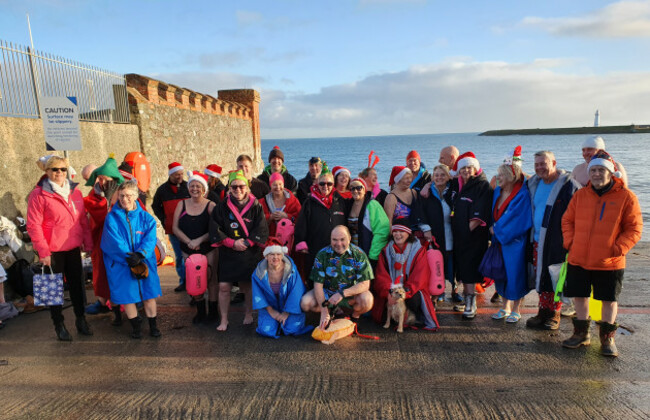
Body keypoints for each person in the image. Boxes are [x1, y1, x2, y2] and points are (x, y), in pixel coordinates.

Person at [561, 151, 642, 357]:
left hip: (609, 261)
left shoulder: (626, 197)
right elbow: (567, 220)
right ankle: (581, 334)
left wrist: (618, 248)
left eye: (601, 170)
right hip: (579, 257)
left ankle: (607, 339)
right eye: (594, 170)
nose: (597, 174)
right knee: (580, 296)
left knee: (608, 299)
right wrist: (570, 242)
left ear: (610, 172)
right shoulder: (580, 195)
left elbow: (634, 228)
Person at [27, 156, 93, 341]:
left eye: (63, 169)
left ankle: (81, 320)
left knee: (77, 286)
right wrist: (43, 252)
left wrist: (87, 243)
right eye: (55, 169)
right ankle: (59, 325)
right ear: (47, 172)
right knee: (52, 289)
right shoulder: (38, 195)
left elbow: (82, 220)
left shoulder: (76, 192)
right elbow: (34, 225)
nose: (59, 173)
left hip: (72, 247)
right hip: (52, 250)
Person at [525, 151, 580, 330]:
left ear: (554, 163)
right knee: (541, 276)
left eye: (543, 163)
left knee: (556, 276)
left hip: (558, 239)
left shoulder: (568, 185)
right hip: (537, 239)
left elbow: (578, 214)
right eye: (537, 164)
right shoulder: (534, 183)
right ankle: (543, 312)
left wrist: (571, 240)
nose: (540, 167)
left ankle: (554, 314)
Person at [101, 180, 162, 339]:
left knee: (149, 295)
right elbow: (113, 241)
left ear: (135, 196)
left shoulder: (147, 218)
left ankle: (153, 326)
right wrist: (129, 257)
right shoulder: (111, 218)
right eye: (121, 196)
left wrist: (141, 254)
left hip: (144, 260)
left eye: (128, 195)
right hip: (122, 263)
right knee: (127, 297)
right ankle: (136, 328)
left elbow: (150, 239)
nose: (124, 199)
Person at [210, 170, 269, 331]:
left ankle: (248, 313)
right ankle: (224, 319)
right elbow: (215, 228)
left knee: (247, 285)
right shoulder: (221, 206)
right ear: (229, 188)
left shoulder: (256, 206)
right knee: (224, 287)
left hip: (249, 252)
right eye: (234, 187)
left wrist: (248, 242)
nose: (238, 190)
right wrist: (231, 242)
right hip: (228, 251)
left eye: (241, 186)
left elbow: (261, 228)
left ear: (247, 187)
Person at [300, 226, 374, 328]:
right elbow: (317, 285)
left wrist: (342, 294)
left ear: (349, 238)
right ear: (330, 239)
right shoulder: (322, 255)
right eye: (334, 240)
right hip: (328, 294)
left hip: (350, 294)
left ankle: (354, 317)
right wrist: (324, 311)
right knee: (306, 303)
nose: (338, 244)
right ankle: (330, 313)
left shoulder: (359, 254)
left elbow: (365, 284)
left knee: (367, 300)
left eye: (342, 239)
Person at [448, 152, 493, 319]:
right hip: (458, 236)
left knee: (469, 271)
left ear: (475, 169)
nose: (466, 171)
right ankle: (467, 301)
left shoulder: (483, 186)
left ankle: (470, 304)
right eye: (463, 168)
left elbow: (478, 215)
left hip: (472, 237)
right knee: (463, 271)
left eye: (469, 167)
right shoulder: (458, 184)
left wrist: (465, 232)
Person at [371, 220, 439, 330]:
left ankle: (411, 316)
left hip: (409, 292)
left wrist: (404, 293)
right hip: (392, 292)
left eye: (401, 231)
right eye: (395, 231)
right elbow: (381, 275)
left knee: (414, 300)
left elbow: (420, 277)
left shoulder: (419, 250)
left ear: (408, 233)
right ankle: (399, 317)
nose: (397, 234)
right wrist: (389, 293)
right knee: (381, 316)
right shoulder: (386, 251)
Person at [172, 171, 218, 324]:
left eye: (198, 186)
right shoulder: (182, 204)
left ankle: (213, 312)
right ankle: (200, 312)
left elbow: (215, 229)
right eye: (192, 185)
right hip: (187, 248)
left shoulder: (211, 206)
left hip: (207, 248)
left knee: (211, 280)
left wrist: (199, 240)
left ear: (203, 189)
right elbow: (175, 228)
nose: (195, 189)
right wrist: (189, 242)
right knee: (194, 279)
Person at [83, 156, 125, 324]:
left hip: (121, 243)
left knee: (122, 276)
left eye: (103, 178)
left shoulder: (124, 192)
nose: (99, 181)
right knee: (103, 274)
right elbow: (92, 214)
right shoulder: (95, 193)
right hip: (101, 242)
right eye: (97, 178)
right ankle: (106, 305)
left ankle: (130, 306)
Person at [489, 162, 532, 323]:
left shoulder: (522, 193)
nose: (498, 177)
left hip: (515, 241)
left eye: (501, 175)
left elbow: (520, 218)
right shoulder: (497, 192)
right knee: (501, 273)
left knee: (515, 274)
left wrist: (498, 229)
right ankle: (504, 306)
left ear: (511, 176)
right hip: (498, 240)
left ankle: (516, 309)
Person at [416, 164, 461, 302]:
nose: (439, 177)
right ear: (432, 178)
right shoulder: (426, 194)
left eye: (443, 175)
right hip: (435, 234)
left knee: (454, 263)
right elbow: (420, 212)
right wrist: (426, 229)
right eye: (436, 175)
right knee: (436, 264)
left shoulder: (453, 189)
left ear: (448, 177)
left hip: (453, 232)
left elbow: (461, 180)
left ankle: (454, 290)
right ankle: (437, 291)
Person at [251, 239, 313, 338]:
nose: (275, 257)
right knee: (266, 331)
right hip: (270, 307)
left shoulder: (291, 271)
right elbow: (258, 295)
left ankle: (283, 323)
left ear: (282, 255)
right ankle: (274, 324)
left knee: (292, 329)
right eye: (271, 254)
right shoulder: (258, 273)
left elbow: (296, 293)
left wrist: (286, 313)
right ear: (266, 256)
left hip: (290, 307)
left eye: (278, 254)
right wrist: (272, 312)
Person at [294, 169, 348, 283]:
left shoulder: (340, 201)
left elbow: (346, 222)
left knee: (336, 280)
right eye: (322, 183)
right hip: (315, 248)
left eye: (329, 184)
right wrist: (301, 242)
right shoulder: (309, 202)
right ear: (317, 184)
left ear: (333, 184)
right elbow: (301, 224)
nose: (325, 186)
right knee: (316, 281)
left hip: (337, 247)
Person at [152, 162, 190, 292]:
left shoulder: (187, 187)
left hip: (188, 228)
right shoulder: (162, 190)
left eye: (181, 174)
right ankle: (183, 281)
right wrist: (164, 219)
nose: (180, 176)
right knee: (179, 256)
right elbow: (155, 206)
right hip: (173, 229)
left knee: (189, 256)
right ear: (171, 175)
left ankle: (192, 280)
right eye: (177, 174)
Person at [346, 178, 390, 269]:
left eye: (359, 188)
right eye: (352, 188)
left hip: (368, 254)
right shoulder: (348, 205)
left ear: (364, 189)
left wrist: (373, 255)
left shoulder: (372, 205)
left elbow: (382, 231)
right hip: (351, 254)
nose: (355, 191)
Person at [260, 172, 301, 239]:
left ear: (283, 184)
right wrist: (270, 217)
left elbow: (300, 218)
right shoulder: (263, 202)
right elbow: (258, 221)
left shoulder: (293, 200)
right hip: (270, 240)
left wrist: (287, 216)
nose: (278, 187)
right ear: (270, 185)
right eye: (274, 185)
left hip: (288, 239)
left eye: (280, 184)